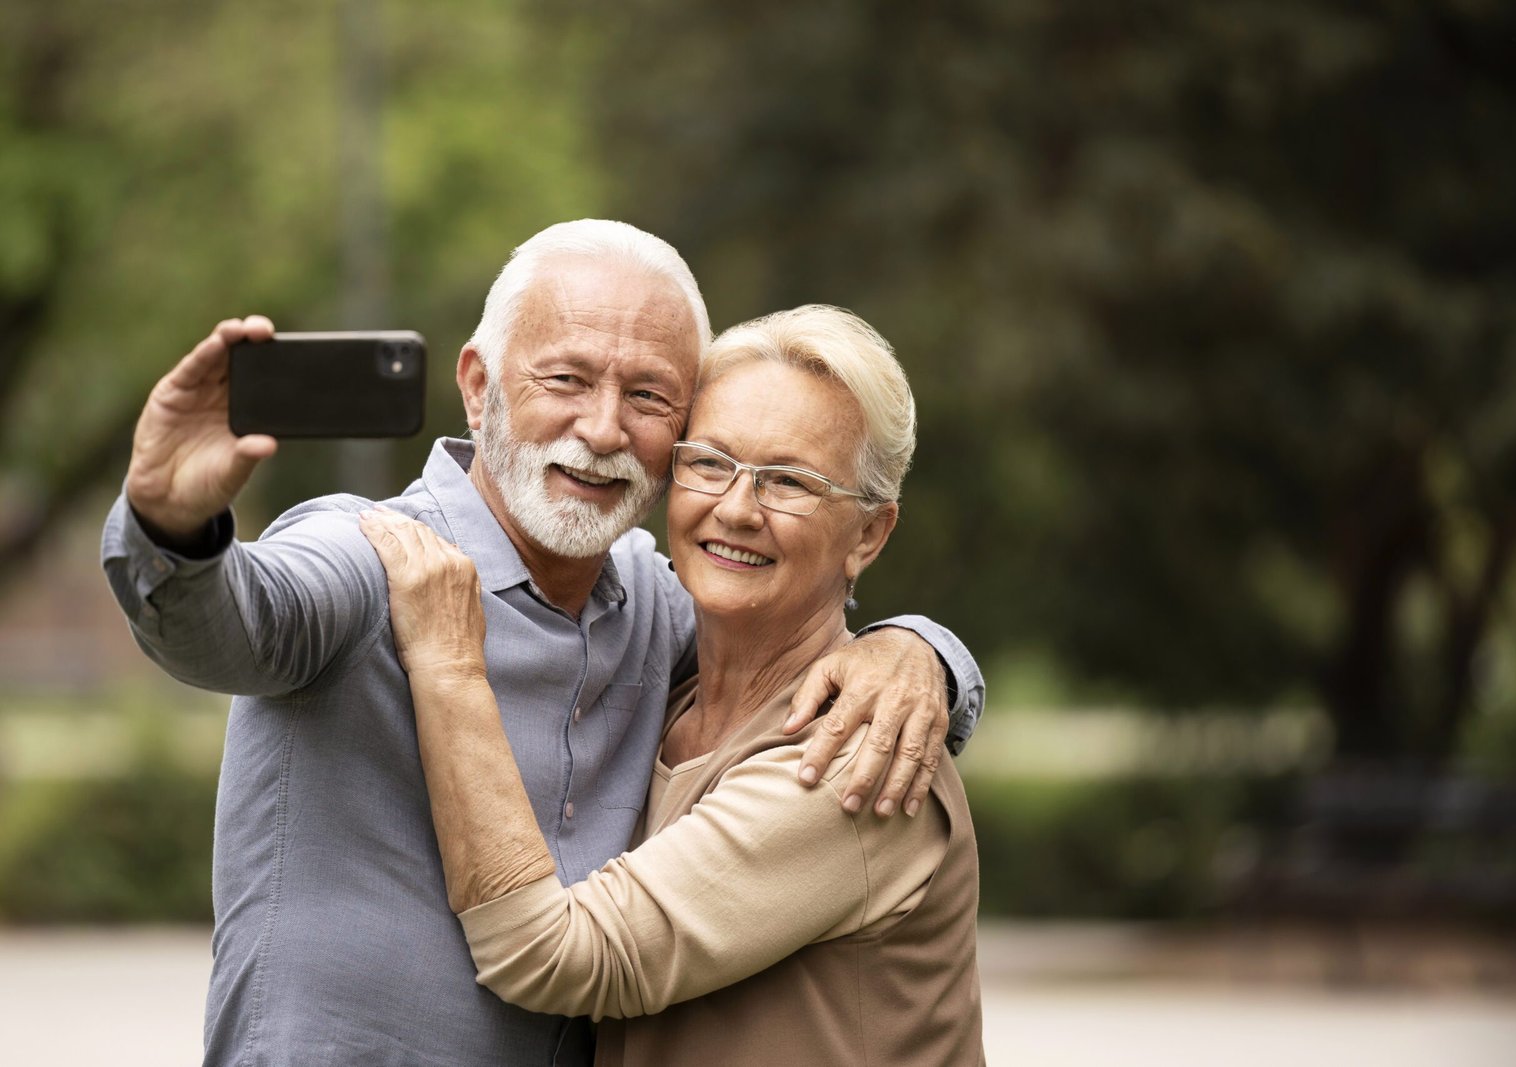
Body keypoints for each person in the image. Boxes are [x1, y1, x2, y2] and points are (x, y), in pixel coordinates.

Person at [101, 221, 984, 1067]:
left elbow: (788, 634)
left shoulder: (663, 612)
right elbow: (232, 628)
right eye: (565, 379)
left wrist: (919, 652)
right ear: (479, 385)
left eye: (647, 396)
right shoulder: (375, 559)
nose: (602, 429)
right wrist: (171, 524)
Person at [359, 304, 983, 1065]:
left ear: (869, 534)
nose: (737, 508)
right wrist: (923, 643)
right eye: (710, 461)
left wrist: (451, 667)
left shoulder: (850, 753)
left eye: (788, 481)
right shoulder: (669, 693)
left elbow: (554, 956)